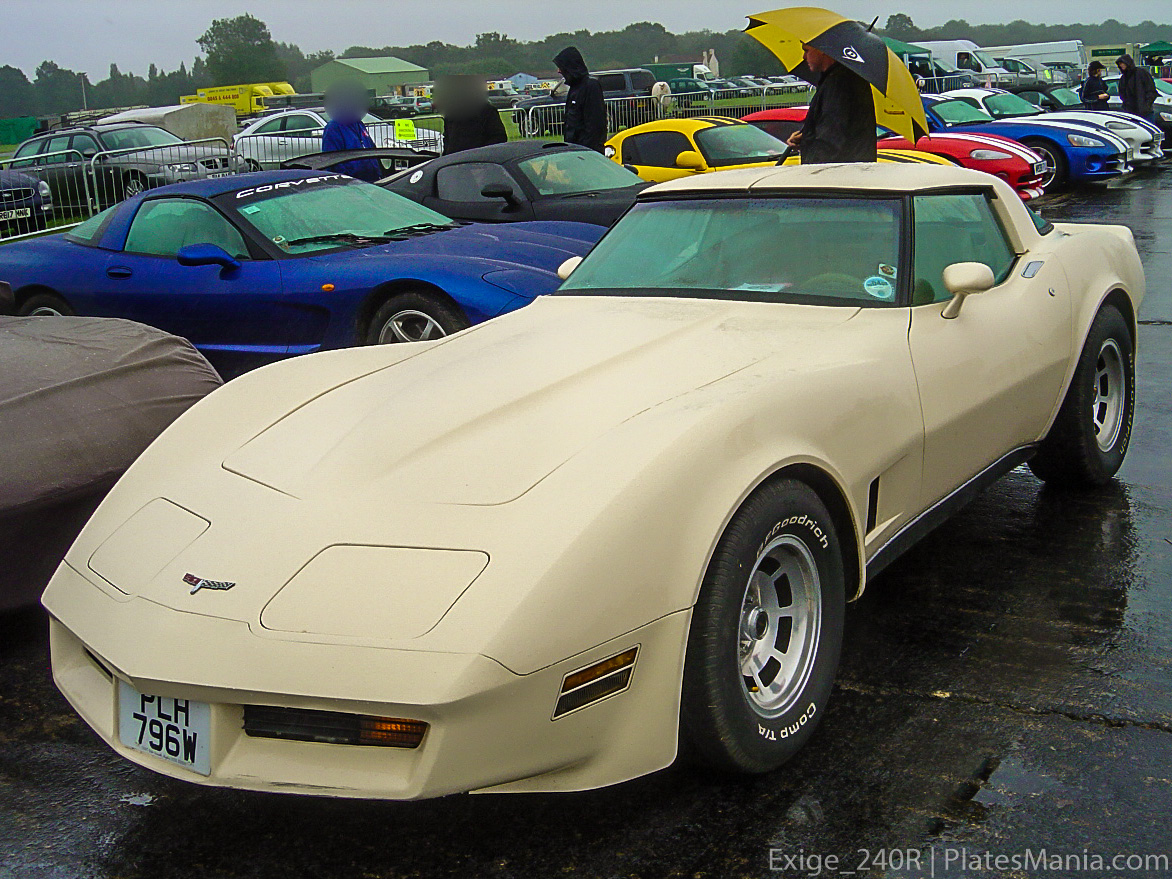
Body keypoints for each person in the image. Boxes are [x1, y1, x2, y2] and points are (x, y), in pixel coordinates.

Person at [786, 43, 877, 164]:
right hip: (849, 171)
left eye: (807, 50)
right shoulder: (837, 78)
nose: (804, 56)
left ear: (822, 49)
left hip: (836, 175)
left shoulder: (839, 82)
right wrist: (806, 138)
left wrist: (812, 172)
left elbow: (831, 141)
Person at [321, 81, 383, 183]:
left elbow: (371, 148)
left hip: (371, 180)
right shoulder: (333, 128)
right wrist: (347, 179)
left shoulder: (359, 124)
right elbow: (331, 160)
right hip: (352, 183)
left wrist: (378, 171)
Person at [434, 76, 508, 155]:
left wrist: (481, 153)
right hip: (455, 159)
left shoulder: (486, 110)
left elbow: (499, 137)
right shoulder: (452, 112)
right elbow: (447, 138)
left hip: (477, 159)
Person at [554, 46, 607, 153]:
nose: (559, 71)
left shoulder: (591, 86)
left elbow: (595, 125)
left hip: (588, 153)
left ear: (569, 67)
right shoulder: (574, 89)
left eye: (561, 67)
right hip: (574, 150)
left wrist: (585, 151)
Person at [1117, 54, 1158, 122]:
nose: (1121, 65)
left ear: (1127, 63)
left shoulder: (1141, 73)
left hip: (1145, 113)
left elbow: (1151, 90)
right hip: (1131, 113)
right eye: (1120, 64)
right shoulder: (1123, 78)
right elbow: (1122, 93)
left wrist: (1146, 106)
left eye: (1122, 63)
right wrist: (1126, 106)